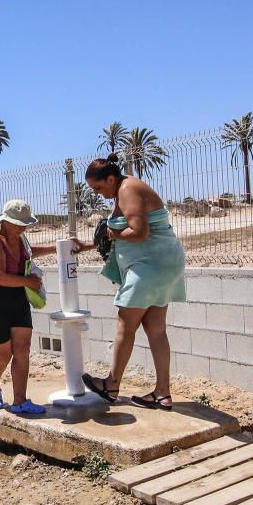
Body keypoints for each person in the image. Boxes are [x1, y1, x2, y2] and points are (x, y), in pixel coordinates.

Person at [75, 153, 187, 409]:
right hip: (161, 264)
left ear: (111, 178)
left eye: (99, 187)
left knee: (125, 326)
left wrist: (110, 232)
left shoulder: (127, 189)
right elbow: (120, 232)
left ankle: (112, 385)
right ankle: (162, 393)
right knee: (156, 330)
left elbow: (138, 232)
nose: (97, 193)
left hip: (148, 267)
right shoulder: (123, 190)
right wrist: (90, 244)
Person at [0, 199, 57, 414]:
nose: (23, 227)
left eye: (25, 223)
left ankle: (20, 401)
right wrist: (29, 282)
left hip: (16, 298)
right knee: (2, 355)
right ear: (5, 221)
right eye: (19, 223)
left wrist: (58, 248)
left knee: (22, 349)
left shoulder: (20, 238)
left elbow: (29, 252)